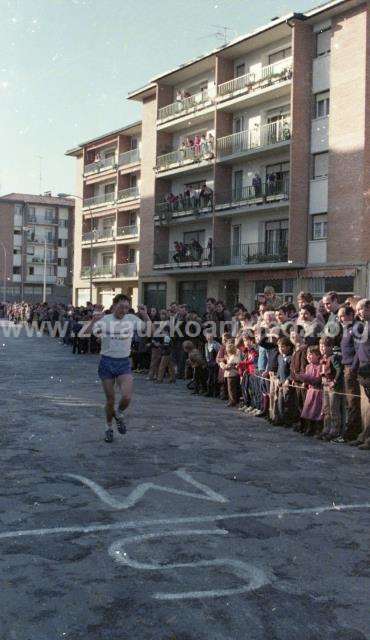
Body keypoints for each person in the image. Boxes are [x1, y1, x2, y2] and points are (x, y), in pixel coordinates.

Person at [87, 294, 151, 443]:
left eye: (127, 307)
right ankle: (108, 428)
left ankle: (119, 413)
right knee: (110, 399)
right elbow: (86, 333)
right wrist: (93, 321)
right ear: (114, 305)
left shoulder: (131, 319)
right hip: (107, 362)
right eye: (121, 306)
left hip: (123, 362)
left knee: (127, 397)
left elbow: (150, 332)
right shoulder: (106, 320)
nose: (124, 310)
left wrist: (146, 316)